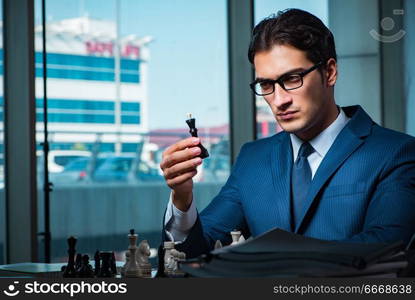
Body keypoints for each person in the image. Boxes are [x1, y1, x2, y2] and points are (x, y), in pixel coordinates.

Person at [159, 9, 415, 258]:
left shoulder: (396, 152)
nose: (279, 100)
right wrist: (182, 198)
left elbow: (385, 248)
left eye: (292, 78)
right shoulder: (253, 158)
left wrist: (267, 261)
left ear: (330, 72)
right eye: (266, 85)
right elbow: (194, 252)